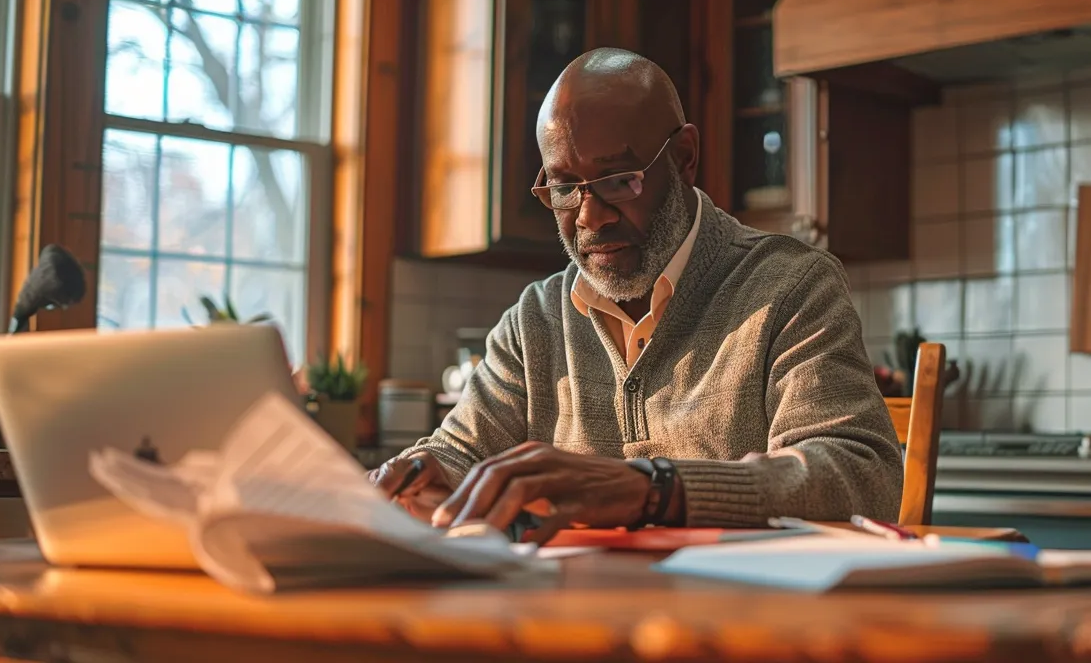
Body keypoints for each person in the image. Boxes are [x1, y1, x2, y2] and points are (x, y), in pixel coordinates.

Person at [369, 48, 902, 541]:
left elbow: (862, 474)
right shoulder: (536, 319)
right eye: (562, 187)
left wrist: (653, 488)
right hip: (573, 626)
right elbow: (458, 452)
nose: (589, 216)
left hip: (739, 628)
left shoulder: (790, 286)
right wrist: (421, 475)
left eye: (619, 179)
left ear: (685, 157)